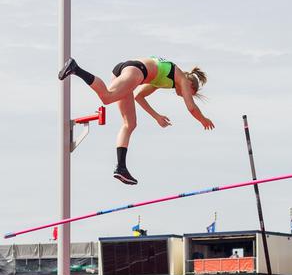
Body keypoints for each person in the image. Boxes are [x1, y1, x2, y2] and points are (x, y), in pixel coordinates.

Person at [58, 56, 215, 185]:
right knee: (107, 97)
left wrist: (156, 116)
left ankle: (121, 167)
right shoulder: (182, 78)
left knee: (129, 124)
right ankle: (76, 69)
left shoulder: (168, 80)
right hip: (136, 71)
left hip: (129, 69)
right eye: (190, 93)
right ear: (190, 85)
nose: (185, 95)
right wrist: (203, 119)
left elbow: (139, 96)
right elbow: (191, 107)